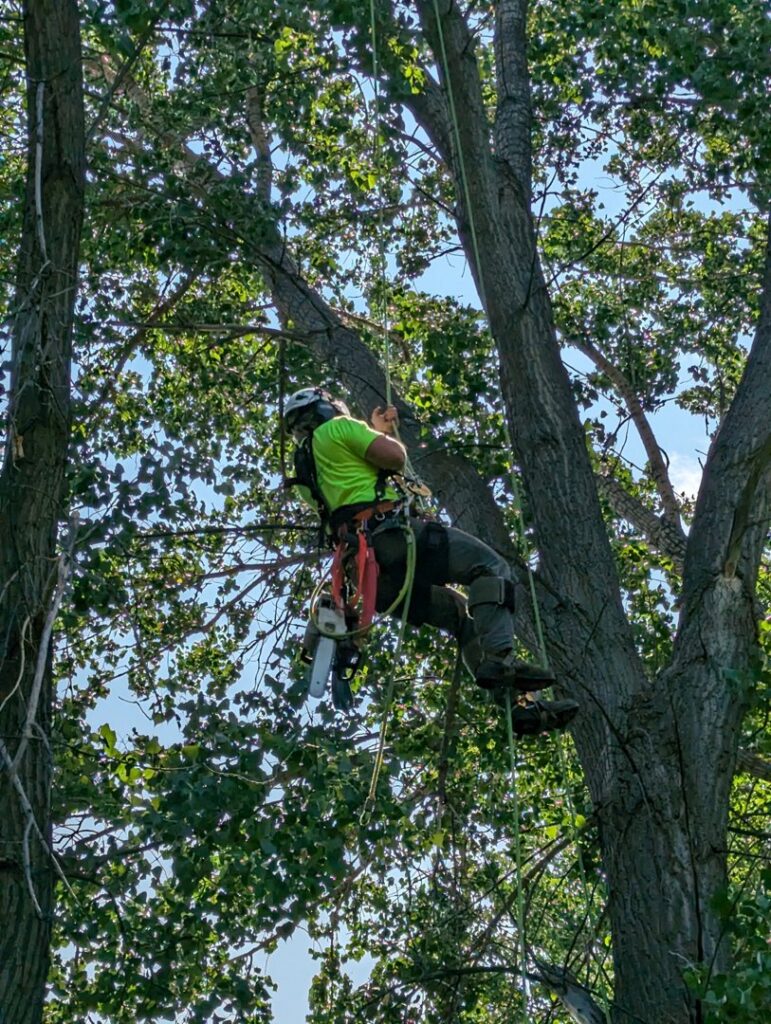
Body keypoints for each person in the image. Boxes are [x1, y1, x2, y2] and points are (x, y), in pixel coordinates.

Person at [284, 386, 579, 736]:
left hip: (371, 581)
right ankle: (502, 660)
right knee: (491, 567)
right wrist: (381, 435)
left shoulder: (303, 470)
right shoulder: (339, 427)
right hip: (393, 539)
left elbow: (350, 484)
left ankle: (517, 709)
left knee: (461, 618)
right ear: (326, 409)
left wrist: (372, 434)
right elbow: (392, 457)